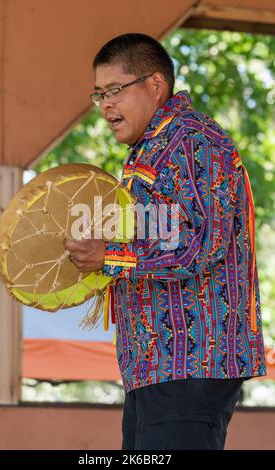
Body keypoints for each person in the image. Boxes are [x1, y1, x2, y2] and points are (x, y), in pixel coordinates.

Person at [64, 33, 266, 450]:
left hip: (190, 363)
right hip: (155, 365)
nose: (105, 105)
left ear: (156, 85)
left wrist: (111, 256)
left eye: (115, 90)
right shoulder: (150, 149)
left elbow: (203, 242)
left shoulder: (192, 139)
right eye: (99, 93)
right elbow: (162, 235)